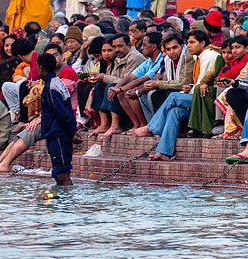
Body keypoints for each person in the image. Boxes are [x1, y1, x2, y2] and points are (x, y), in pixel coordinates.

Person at [131, 30, 222, 161]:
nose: (189, 46)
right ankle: (164, 153)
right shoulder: (195, 57)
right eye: (168, 49)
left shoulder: (205, 56)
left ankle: (151, 127)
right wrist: (189, 87)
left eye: (192, 42)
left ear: (202, 43)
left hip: (204, 101)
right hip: (194, 97)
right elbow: (195, 84)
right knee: (174, 111)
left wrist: (184, 87)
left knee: (173, 96)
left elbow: (201, 83)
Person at [91, 34, 145, 139]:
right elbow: (116, 78)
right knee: (99, 87)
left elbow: (128, 81)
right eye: (115, 47)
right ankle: (104, 124)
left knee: (111, 86)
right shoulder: (119, 57)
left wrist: (105, 77)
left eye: (120, 46)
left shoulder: (135, 58)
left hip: (133, 89)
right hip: (121, 88)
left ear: (129, 45)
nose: (117, 49)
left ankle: (115, 125)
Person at [37, 53, 78, 185]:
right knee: (60, 173)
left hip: (58, 134)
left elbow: (62, 113)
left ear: (41, 68)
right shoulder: (56, 83)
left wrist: (71, 131)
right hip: (59, 133)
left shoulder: (51, 88)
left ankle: (65, 203)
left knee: (62, 174)